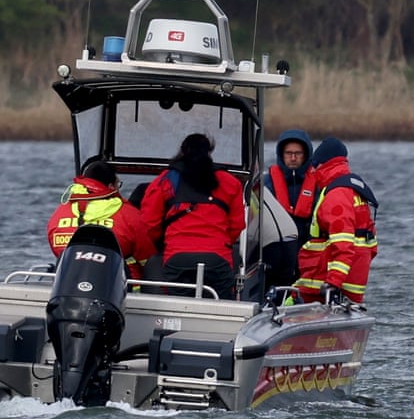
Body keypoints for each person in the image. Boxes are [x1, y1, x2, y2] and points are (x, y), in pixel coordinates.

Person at [140, 133, 246, 300]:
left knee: (177, 308)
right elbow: (236, 226)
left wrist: (165, 244)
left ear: (182, 152)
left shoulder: (165, 181)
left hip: (177, 258)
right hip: (217, 259)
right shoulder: (231, 182)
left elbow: (149, 224)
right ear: (209, 153)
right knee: (222, 310)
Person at [293, 137, 378, 305]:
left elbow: (343, 246)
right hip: (346, 285)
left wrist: (333, 283)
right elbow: (371, 245)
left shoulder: (336, 196)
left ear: (321, 164)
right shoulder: (353, 191)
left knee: (285, 302)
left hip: (324, 286)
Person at [46, 160, 156, 281]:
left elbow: (56, 247)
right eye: (118, 185)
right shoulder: (128, 213)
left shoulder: (60, 212)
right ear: (110, 186)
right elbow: (147, 258)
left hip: (67, 279)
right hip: (120, 285)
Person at [262, 129, 316, 286]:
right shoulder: (267, 183)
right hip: (276, 255)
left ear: (306, 155)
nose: (293, 158)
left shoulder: (318, 184)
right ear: (281, 154)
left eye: (298, 153)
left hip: (306, 255)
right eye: (289, 153)